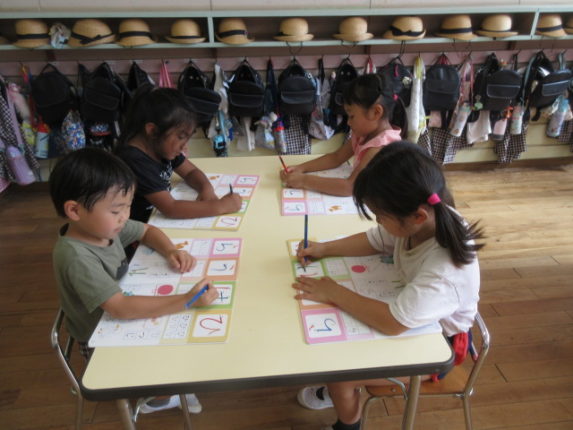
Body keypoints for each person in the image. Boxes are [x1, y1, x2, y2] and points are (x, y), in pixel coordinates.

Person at [292, 141, 484, 430]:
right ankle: (339, 391)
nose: (379, 222)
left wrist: (334, 292)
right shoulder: (424, 218)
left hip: (437, 348)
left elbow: (393, 322)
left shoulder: (446, 271)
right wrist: (324, 248)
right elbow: (376, 240)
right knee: (335, 348)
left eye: (381, 216)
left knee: (340, 374)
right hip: (414, 312)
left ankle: (347, 421)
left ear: (417, 216)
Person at [50, 147, 218, 415]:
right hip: (100, 339)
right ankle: (156, 399)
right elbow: (120, 308)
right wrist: (187, 300)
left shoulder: (102, 227)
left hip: (117, 312)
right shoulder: (76, 256)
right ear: (74, 210)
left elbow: (147, 230)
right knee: (177, 349)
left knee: (179, 337)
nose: (125, 216)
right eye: (117, 210)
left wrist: (170, 250)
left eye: (128, 206)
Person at [115, 86, 242, 223]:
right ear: (153, 131)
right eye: (181, 137)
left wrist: (206, 189)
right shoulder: (134, 160)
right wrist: (220, 206)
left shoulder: (158, 145)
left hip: (157, 219)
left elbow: (190, 172)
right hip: (139, 227)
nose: (184, 146)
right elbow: (171, 208)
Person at [279, 73, 402, 197]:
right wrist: (300, 168)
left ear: (376, 112)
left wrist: (304, 180)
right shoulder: (363, 134)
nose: (348, 122)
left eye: (352, 116)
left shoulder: (380, 148)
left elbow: (350, 187)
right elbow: (336, 158)